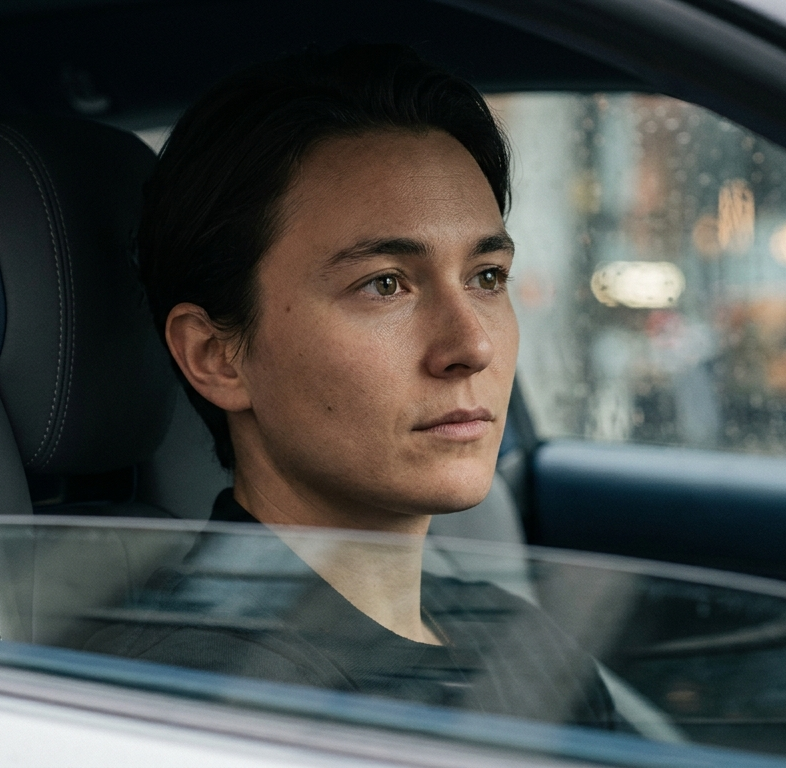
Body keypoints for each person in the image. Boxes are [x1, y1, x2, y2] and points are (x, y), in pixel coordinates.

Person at [87, 44, 622, 730]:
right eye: (385, 285)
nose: (472, 346)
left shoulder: (514, 632)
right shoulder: (202, 703)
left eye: (486, 276)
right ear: (217, 356)